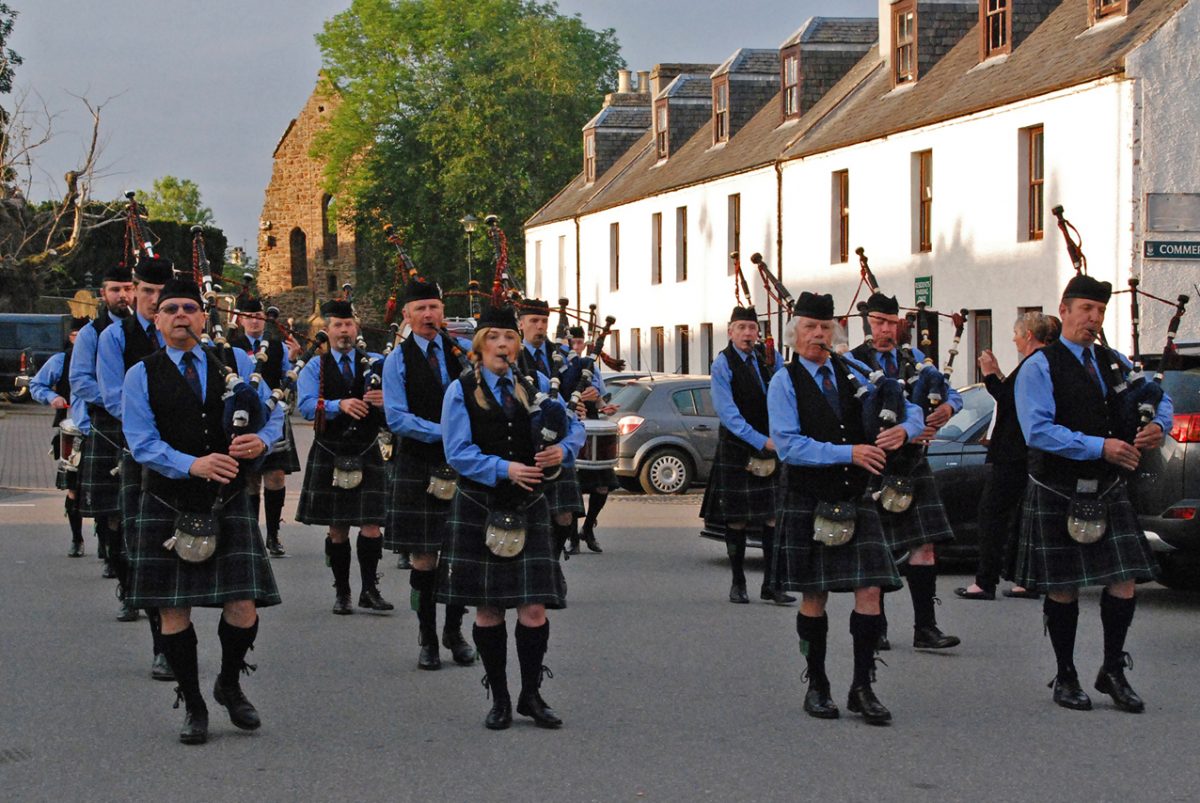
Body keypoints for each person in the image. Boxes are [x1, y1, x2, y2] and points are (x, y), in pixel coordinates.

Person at [121, 278, 284, 745]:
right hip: (169, 500)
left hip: (228, 498)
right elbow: (142, 442)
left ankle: (228, 683)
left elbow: (272, 411)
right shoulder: (141, 374)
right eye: (169, 308)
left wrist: (263, 440)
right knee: (175, 610)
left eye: (189, 308)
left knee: (244, 605)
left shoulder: (237, 363)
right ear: (156, 317)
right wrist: (192, 464)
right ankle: (193, 703)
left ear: (203, 316)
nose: (180, 315)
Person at [1014, 275, 1168, 713]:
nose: (1093, 319)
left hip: (1109, 486)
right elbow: (1038, 431)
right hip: (1057, 487)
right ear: (1063, 311)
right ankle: (1066, 675)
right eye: (1085, 309)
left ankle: (1112, 670)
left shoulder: (1112, 361)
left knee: (1123, 581)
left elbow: (1158, 395)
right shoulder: (1039, 366)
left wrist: (1160, 426)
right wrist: (1102, 446)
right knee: (1063, 586)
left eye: (1100, 311)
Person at [769, 292, 924, 725]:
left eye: (824, 328)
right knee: (814, 596)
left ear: (835, 332)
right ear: (794, 334)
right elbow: (788, 445)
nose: (818, 335)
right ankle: (817, 684)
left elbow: (908, 407)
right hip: (809, 496)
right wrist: (848, 453)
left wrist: (905, 432)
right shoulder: (784, 381)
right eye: (809, 328)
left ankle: (863, 687)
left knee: (871, 590)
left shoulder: (856, 371)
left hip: (857, 498)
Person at [436, 303, 583, 730]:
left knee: (534, 610)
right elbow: (458, 452)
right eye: (495, 339)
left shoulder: (535, 383)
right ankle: (499, 698)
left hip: (530, 504)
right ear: (480, 346)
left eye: (510, 339)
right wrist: (505, 469)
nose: (504, 345)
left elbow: (572, 426)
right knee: (489, 610)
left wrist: (564, 450)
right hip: (482, 505)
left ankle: (531, 695)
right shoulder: (460, 390)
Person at [850, 292, 961, 650]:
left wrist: (947, 410)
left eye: (891, 322)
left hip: (914, 461)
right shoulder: (852, 361)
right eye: (879, 321)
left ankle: (925, 628)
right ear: (868, 322)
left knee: (924, 548)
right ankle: (877, 624)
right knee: (877, 548)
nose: (886, 329)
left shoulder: (914, 357)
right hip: (877, 463)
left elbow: (949, 394)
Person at [381, 276, 475, 670]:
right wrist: (447, 434)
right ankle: (427, 636)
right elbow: (397, 418)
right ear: (406, 316)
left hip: (465, 465)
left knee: (460, 553)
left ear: (442, 312)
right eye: (419, 308)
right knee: (425, 558)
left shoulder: (464, 351)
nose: (428, 314)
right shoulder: (396, 360)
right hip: (418, 464)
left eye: (433, 307)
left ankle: (454, 630)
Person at [96, 255, 174, 681]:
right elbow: (112, 398)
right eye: (146, 293)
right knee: (146, 549)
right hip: (142, 452)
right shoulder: (115, 337)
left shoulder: (191, 333)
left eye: (162, 294)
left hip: (190, 457)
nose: (154, 301)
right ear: (135, 291)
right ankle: (162, 646)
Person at [296, 299, 393, 615]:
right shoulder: (315, 366)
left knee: (372, 527)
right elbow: (308, 406)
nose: (344, 330)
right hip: (330, 451)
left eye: (349, 324)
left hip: (366, 450)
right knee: (337, 528)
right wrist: (341, 405)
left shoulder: (376, 363)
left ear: (357, 328)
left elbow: (397, 404)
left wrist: (384, 401)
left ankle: (369, 589)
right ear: (327, 331)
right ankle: (342, 592)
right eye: (337, 325)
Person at [955, 312, 1059, 600]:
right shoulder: (1040, 363)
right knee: (1021, 516)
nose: (1013, 337)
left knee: (992, 514)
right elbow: (1014, 395)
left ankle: (985, 581)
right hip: (1026, 452)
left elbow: (1008, 400)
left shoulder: (1034, 363)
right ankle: (1025, 579)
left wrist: (989, 373)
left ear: (1028, 335)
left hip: (1013, 453)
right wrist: (999, 373)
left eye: (1015, 332)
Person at [701, 305, 794, 604]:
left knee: (772, 518)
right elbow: (728, 414)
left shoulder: (771, 358)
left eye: (752, 328)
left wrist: (782, 433)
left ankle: (771, 584)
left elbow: (786, 393)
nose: (747, 333)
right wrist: (760, 440)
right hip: (738, 448)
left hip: (771, 444)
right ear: (730, 331)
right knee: (737, 519)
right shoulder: (723, 364)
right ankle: (738, 582)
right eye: (741, 327)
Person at [70, 265, 135, 579]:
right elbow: (80, 381)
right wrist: (121, 399)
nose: (123, 295)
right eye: (115, 289)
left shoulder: (149, 330)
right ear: (103, 295)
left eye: (127, 288)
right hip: (108, 424)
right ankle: (114, 559)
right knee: (111, 507)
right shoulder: (90, 333)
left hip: (146, 422)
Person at [228, 296, 301, 557]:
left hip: (273, 416)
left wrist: (293, 362)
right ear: (240, 319)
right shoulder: (231, 347)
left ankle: (273, 534)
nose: (254, 321)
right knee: (249, 479)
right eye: (249, 316)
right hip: (243, 417)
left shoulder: (278, 347)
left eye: (258, 316)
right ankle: (252, 534)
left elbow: (287, 379)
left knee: (276, 476)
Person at [516, 299, 584, 558]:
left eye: (544, 321)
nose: (540, 326)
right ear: (521, 324)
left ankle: (553, 564)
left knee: (564, 515)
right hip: (527, 444)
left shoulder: (562, 355)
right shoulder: (514, 357)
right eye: (534, 321)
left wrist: (585, 397)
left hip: (560, 440)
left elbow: (577, 389)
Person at [29, 316, 91, 556]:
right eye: (79, 335)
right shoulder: (61, 360)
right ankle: (77, 539)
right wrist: (52, 397)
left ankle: (109, 548)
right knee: (74, 489)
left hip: (102, 431)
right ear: (73, 337)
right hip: (72, 431)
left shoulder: (105, 358)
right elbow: (37, 385)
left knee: (110, 491)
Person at [566, 325, 618, 554]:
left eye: (580, 343)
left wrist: (603, 406)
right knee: (572, 487)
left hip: (592, 427)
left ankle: (588, 528)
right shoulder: (561, 365)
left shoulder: (591, 367)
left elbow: (600, 400)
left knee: (603, 486)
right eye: (573, 343)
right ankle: (572, 537)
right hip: (569, 425)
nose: (577, 347)